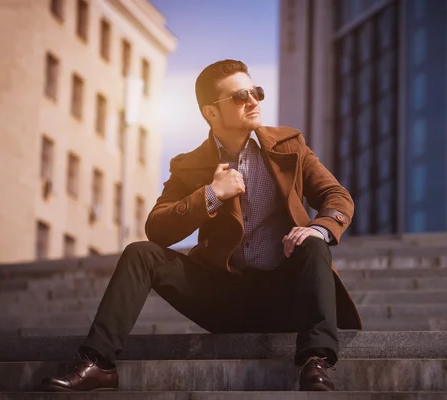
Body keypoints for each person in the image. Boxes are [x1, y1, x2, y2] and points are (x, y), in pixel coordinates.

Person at [41, 59, 362, 392]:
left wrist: (318, 228)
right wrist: (211, 194)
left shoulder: (289, 146)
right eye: (240, 96)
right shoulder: (190, 166)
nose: (254, 101)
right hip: (222, 298)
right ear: (211, 113)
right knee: (140, 253)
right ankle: (99, 364)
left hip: (286, 295)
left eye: (257, 91)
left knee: (313, 241)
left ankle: (316, 362)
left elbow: (336, 196)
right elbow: (158, 228)